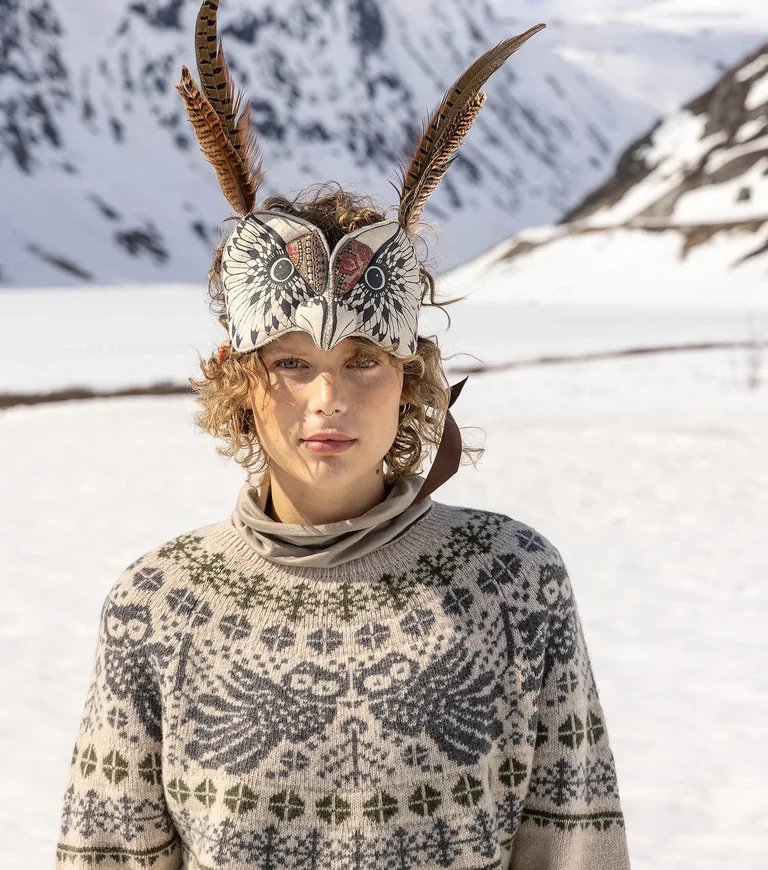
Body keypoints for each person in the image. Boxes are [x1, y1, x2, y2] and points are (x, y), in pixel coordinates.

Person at [54, 2, 631, 868]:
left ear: (413, 378)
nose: (329, 400)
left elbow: (575, 845)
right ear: (239, 380)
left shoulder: (514, 581)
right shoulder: (157, 603)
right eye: (291, 364)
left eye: (364, 361)